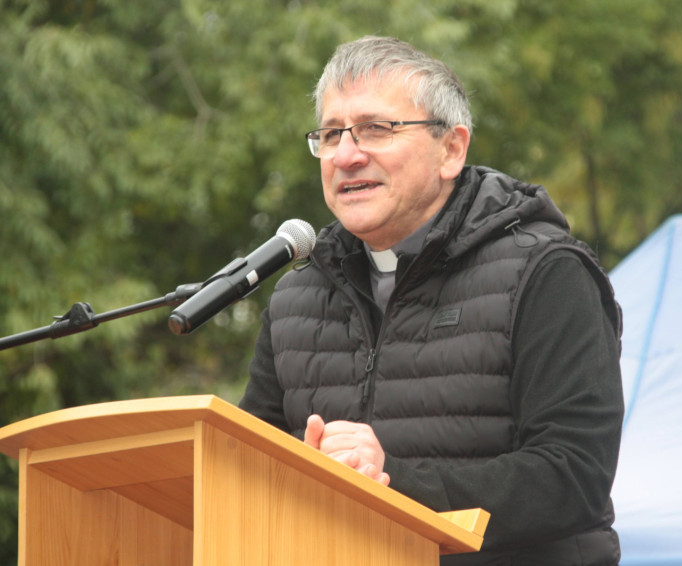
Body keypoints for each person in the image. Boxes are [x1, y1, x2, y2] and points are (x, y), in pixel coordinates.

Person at [239, 35, 624, 565]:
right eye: (330, 135)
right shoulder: (295, 299)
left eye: (376, 129)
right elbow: (240, 470)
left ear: (451, 150)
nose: (346, 155)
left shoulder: (546, 272)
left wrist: (391, 482)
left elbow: (573, 477)